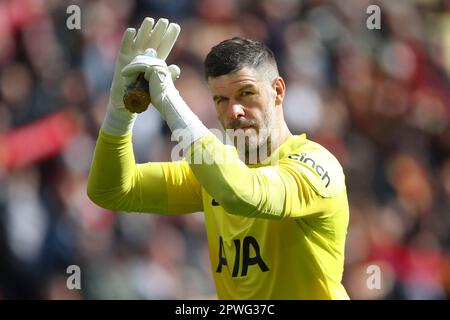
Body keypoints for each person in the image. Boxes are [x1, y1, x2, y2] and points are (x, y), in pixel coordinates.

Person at [87, 17, 350, 300]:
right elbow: (111, 190)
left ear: (278, 91)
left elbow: (244, 194)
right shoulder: (215, 172)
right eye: (221, 100)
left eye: (246, 93)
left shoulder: (317, 166)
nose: (234, 110)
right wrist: (119, 111)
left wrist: (170, 102)